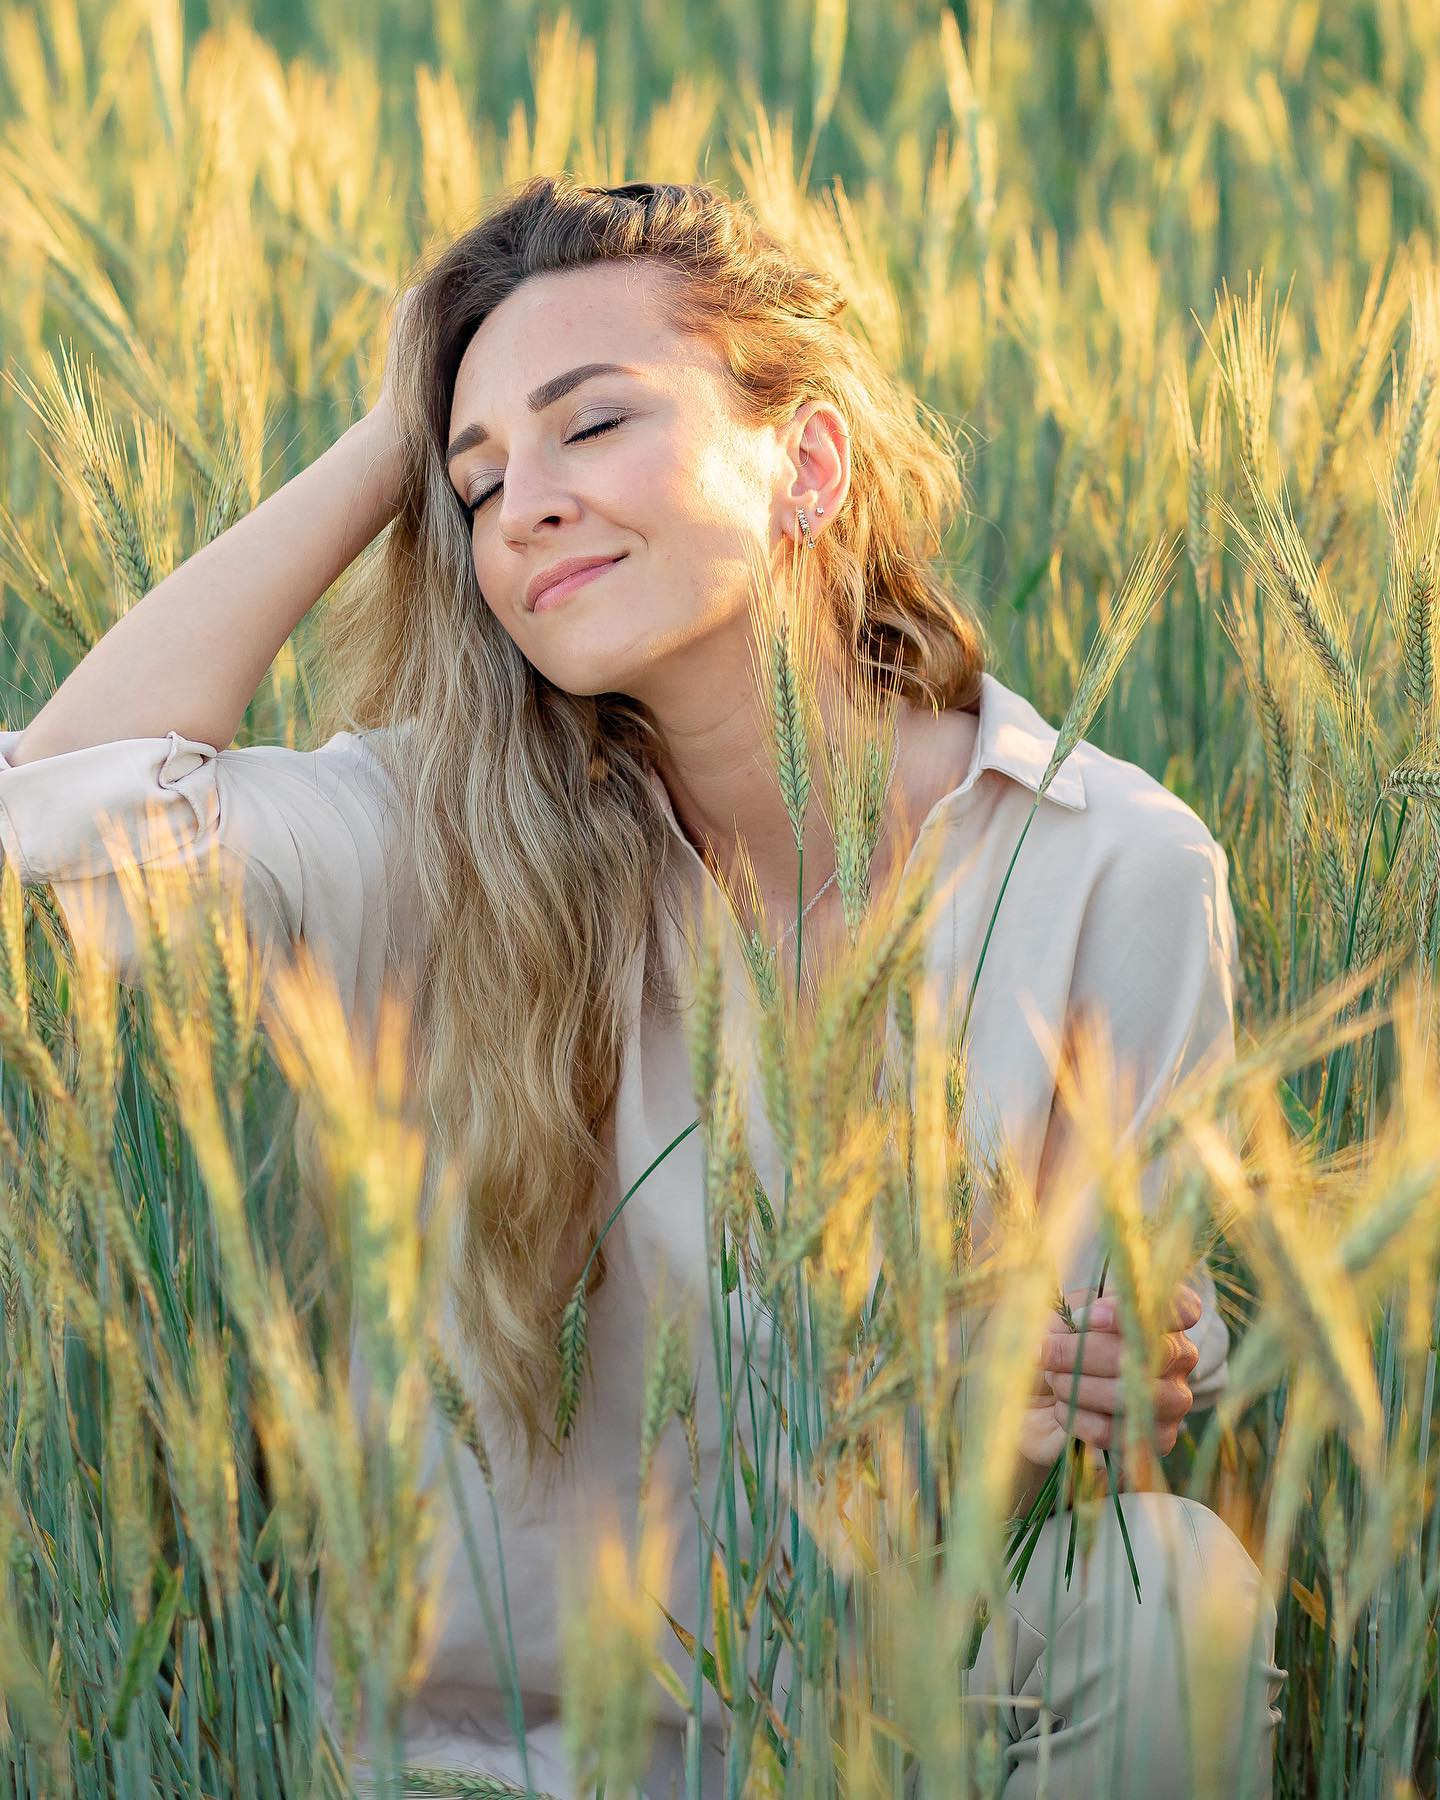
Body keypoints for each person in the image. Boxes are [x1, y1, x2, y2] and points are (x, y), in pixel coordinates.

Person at [0, 175, 1283, 1797]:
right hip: (480, 1764)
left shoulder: (1117, 872)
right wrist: (396, 436)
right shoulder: (435, 837)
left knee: (1174, 1590)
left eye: (589, 425)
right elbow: (69, 810)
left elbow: (1068, 1423)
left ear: (805, 460)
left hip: (868, 1737)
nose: (521, 505)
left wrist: (1085, 1393)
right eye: (475, 485)